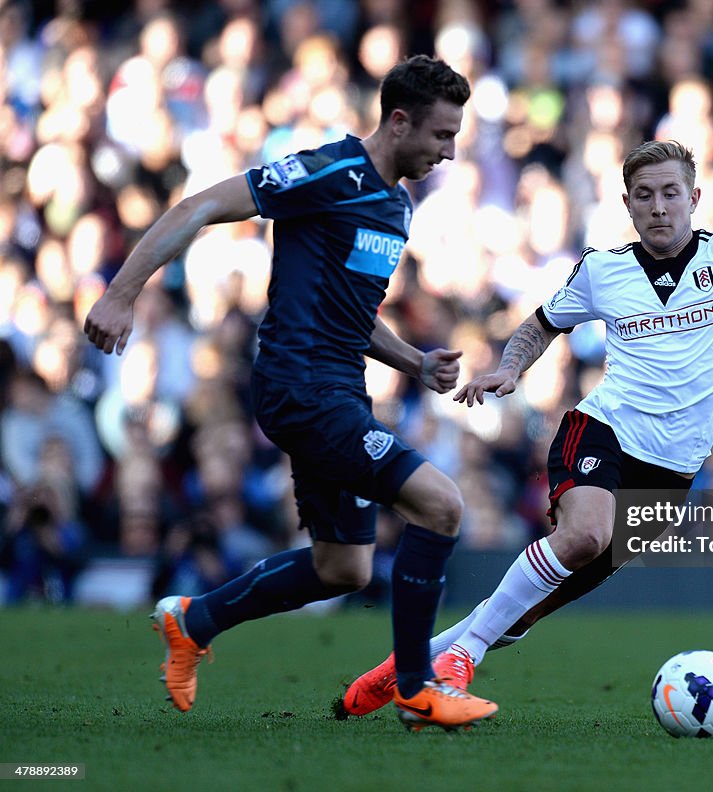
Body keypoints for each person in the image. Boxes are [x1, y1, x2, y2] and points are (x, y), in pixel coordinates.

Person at [339, 139, 713, 717]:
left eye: (670, 193)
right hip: (601, 430)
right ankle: (464, 657)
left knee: (526, 611)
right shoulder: (604, 269)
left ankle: (406, 666)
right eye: (644, 196)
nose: (659, 206)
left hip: (672, 473)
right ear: (628, 206)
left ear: (694, 198)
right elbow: (540, 324)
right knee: (584, 535)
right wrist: (510, 367)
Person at [83, 55, 498, 731]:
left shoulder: (395, 205)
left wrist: (414, 362)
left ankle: (196, 620)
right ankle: (418, 687)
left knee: (344, 569)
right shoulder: (332, 172)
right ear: (398, 121)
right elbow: (202, 205)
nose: (448, 153)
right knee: (441, 505)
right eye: (441, 136)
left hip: (342, 390)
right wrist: (121, 293)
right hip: (301, 387)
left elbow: (353, 314)